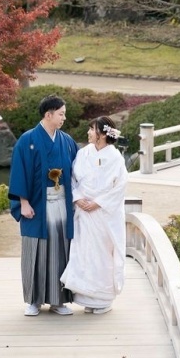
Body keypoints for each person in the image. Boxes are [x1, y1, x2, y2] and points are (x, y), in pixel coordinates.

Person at [9, 94, 79, 316]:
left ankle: (59, 301)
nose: (63, 118)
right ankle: (33, 300)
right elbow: (19, 173)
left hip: (62, 203)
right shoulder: (27, 140)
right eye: (61, 114)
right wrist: (23, 202)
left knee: (61, 250)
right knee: (35, 251)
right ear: (48, 115)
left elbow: (79, 174)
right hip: (37, 206)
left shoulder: (67, 141)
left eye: (64, 114)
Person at [60, 116, 128, 315]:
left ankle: (103, 298)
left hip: (104, 214)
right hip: (84, 211)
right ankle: (87, 297)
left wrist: (98, 203)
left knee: (103, 254)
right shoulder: (83, 153)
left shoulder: (115, 157)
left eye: (92, 129)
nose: (88, 133)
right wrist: (78, 198)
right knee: (84, 253)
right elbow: (72, 179)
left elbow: (121, 186)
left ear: (103, 134)